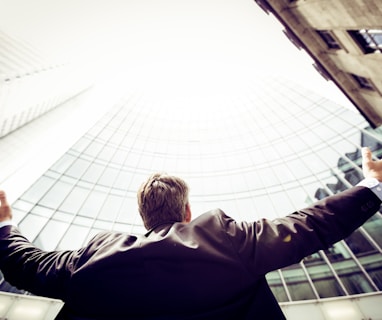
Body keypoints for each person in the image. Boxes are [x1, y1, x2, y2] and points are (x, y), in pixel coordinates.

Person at [0, 147, 382, 320]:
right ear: (187, 212)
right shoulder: (225, 238)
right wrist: (371, 185)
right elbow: (309, 224)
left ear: (143, 217)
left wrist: (5, 224)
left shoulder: (94, 259)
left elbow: (25, 266)